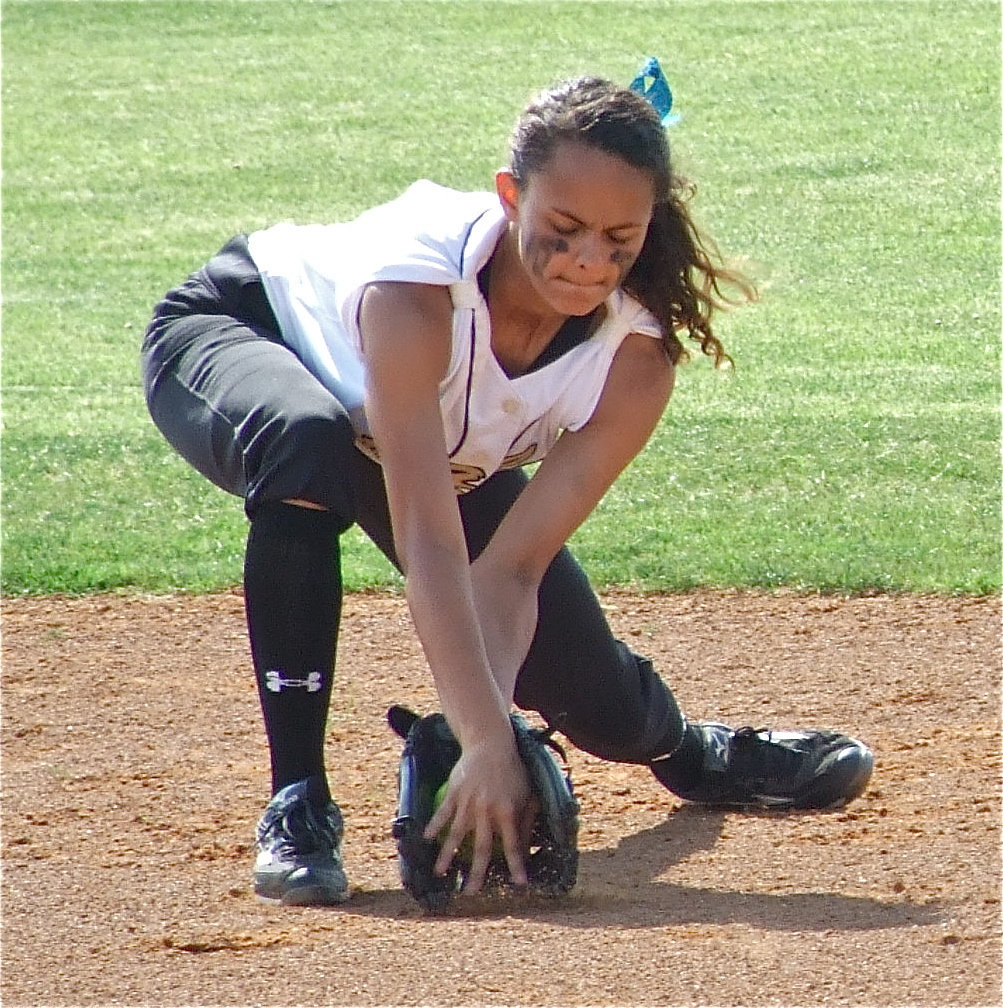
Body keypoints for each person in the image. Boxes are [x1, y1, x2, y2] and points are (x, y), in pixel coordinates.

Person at [141, 74, 873, 907]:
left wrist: (471, 730)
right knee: (305, 450)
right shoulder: (419, 294)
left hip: (412, 439)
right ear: (509, 196)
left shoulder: (634, 360)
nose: (588, 261)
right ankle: (298, 802)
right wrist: (487, 736)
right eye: (560, 230)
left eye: (617, 239)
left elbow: (509, 571)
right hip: (240, 332)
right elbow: (429, 544)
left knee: (581, 684)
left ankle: (687, 750)